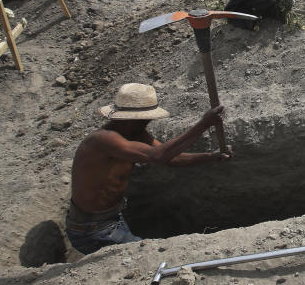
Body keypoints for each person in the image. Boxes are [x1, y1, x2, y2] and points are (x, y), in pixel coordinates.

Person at [66, 83, 232, 254]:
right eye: (144, 118)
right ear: (130, 119)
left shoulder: (135, 135)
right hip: (92, 230)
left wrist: (210, 157)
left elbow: (171, 158)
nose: (148, 121)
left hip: (113, 220)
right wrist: (204, 124)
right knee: (152, 257)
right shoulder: (104, 140)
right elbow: (157, 156)